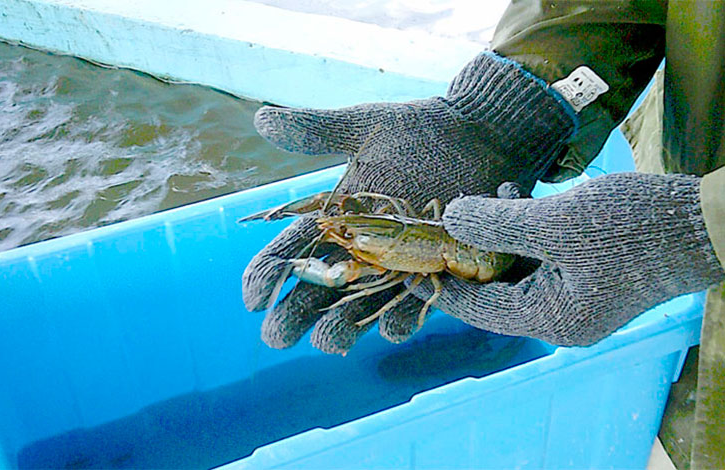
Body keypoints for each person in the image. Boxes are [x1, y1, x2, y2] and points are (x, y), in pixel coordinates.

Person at [242, 1, 724, 467]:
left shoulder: (367, 259)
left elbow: (364, 265)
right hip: (694, 356)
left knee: (350, 275)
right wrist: (513, 108)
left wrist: (704, 224)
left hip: (682, 232)